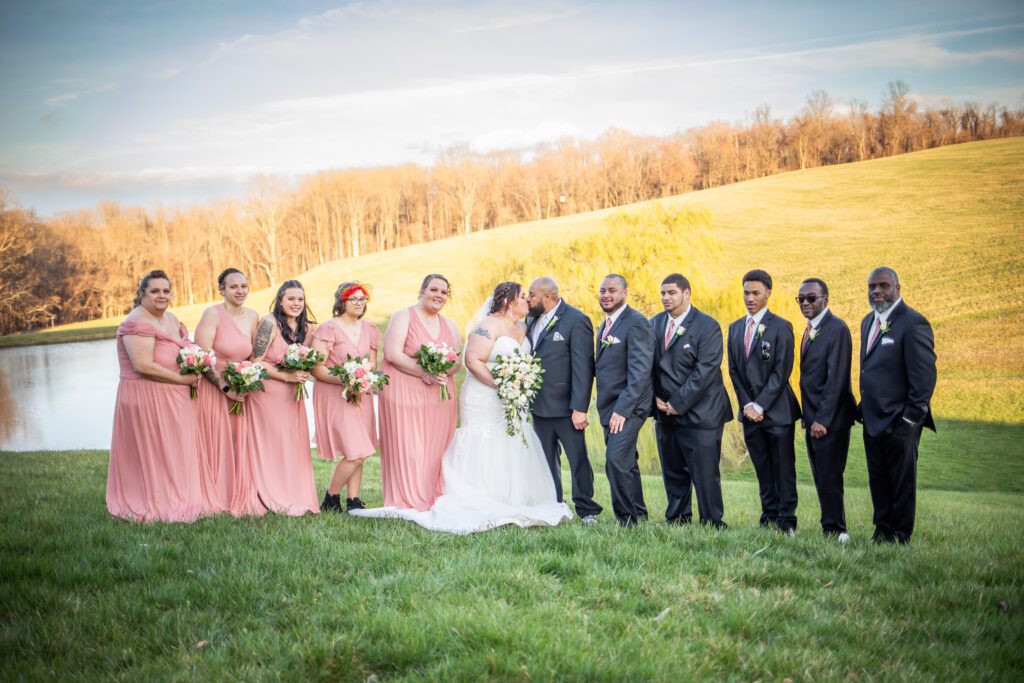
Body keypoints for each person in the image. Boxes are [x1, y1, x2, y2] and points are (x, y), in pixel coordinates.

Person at [351, 282, 572, 533]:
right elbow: (471, 360)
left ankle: (513, 497)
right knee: (484, 440)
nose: (527, 301)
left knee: (511, 442)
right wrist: (502, 387)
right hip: (485, 397)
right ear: (510, 301)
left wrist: (518, 387)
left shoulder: (523, 327)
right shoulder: (487, 326)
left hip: (512, 399)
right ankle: (478, 495)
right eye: (523, 297)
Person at [107, 270, 212, 522]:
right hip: (147, 396)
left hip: (174, 397)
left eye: (166, 290)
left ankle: (180, 496)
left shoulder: (171, 318)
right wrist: (182, 379)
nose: (161, 295)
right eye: (154, 291)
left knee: (175, 451)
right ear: (141, 294)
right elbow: (142, 365)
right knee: (156, 451)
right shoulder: (136, 322)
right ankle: (157, 500)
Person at [858, 267, 936, 544]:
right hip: (873, 417)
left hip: (902, 421)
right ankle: (882, 530)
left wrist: (910, 419)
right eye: (872, 286)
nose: (877, 291)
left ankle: (901, 536)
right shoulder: (868, 321)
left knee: (901, 480)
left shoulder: (913, 323)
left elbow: (924, 378)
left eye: (883, 286)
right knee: (877, 478)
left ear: (897, 288)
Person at [650, 273, 732, 528]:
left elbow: (705, 371)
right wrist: (654, 398)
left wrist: (678, 403)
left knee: (705, 473)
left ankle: (712, 522)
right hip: (664, 412)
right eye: (663, 293)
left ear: (687, 293)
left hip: (701, 413)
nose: (666, 298)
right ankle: (677, 518)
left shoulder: (707, 326)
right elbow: (647, 365)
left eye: (671, 293)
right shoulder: (654, 324)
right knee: (673, 471)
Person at [231, 280, 319, 516]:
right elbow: (256, 362)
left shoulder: (307, 329)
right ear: (280, 300)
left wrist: (303, 371)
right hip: (268, 394)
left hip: (293, 397)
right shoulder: (269, 324)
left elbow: (311, 359)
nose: (296, 303)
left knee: (292, 444)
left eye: (300, 299)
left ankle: (294, 493)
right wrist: (287, 377)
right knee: (272, 444)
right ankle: (269, 493)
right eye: (290, 299)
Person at [374, 274, 461, 510]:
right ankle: (407, 497)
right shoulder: (403, 316)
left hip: (439, 395)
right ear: (422, 291)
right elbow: (392, 354)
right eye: (434, 290)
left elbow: (457, 362)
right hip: (404, 390)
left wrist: (443, 371)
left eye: (444, 292)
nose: (439, 296)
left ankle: (433, 494)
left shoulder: (450, 324)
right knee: (410, 447)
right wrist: (425, 373)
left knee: (435, 448)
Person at [727, 269, 802, 534]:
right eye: (746, 292)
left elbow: (782, 371)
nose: (750, 298)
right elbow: (734, 371)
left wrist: (760, 405)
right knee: (762, 466)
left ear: (768, 292)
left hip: (777, 412)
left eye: (756, 293)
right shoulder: (735, 328)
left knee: (783, 467)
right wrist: (748, 405)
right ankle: (768, 515)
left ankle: (786, 519)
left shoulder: (781, 326)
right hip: (749, 414)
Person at [525, 276, 602, 523]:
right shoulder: (529, 320)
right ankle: (554, 503)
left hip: (567, 408)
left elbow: (583, 368)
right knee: (546, 459)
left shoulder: (576, 320)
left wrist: (579, 408)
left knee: (577, 459)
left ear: (548, 296)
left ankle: (587, 509)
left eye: (532, 294)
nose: (528, 299)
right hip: (538, 406)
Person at [192, 267, 259, 514]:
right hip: (215, 390)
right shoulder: (212, 314)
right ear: (222, 290)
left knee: (237, 442)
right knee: (216, 442)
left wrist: (248, 380)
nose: (240, 291)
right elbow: (200, 357)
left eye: (243, 285)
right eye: (233, 286)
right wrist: (225, 386)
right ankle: (214, 495)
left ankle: (238, 493)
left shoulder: (253, 316)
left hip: (241, 391)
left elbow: (254, 357)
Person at [311, 281, 382, 513]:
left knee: (359, 450)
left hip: (361, 394)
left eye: (363, 299)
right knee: (357, 450)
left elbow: (372, 362)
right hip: (335, 395)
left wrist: (362, 376)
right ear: (342, 301)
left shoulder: (370, 329)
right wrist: (346, 379)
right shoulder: (327, 329)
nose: (360, 303)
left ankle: (353, 500)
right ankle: (331, 497)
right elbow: (317, 368)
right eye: (355, 299)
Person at [797, 278, 857, 542]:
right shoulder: (809, 329)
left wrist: (822, 419)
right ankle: (828, 526)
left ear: (825, 299)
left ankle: (837, 530)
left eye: (812, 298)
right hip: (813, 419)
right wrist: (806, 416)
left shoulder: (837, 329)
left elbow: (837, 380)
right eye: (801, 299)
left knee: (831, 476)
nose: (806, 303)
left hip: (831, 420)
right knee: (821, 475)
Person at [594, 274, 654, 526]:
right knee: (627, 461)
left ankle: (626, 520)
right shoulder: (604, 325)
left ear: (625, 293)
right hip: (609, 406)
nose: (606, 295)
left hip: (629, 407)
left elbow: (640, 372)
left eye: (612, 291)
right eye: (603, 291)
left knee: (615, 461)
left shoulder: (636, 322)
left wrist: (622, 410)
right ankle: (638, 513)